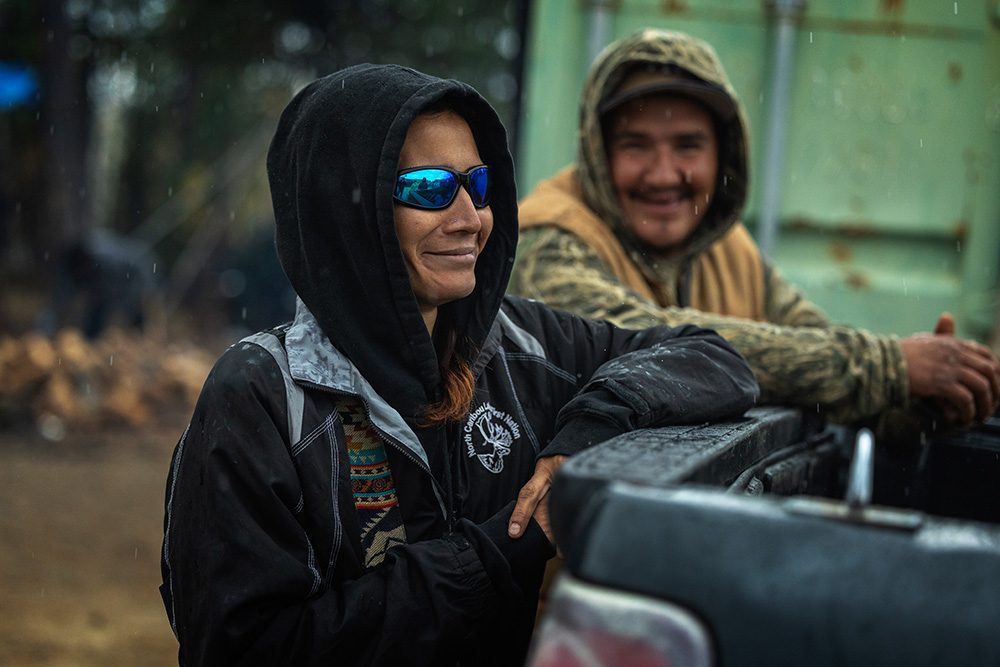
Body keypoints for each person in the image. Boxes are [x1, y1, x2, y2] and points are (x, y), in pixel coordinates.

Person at [159, 63, 758, 666]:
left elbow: (713, 359)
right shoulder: (263, 395)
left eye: (479, 182)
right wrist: (508, 549)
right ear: (345, 212)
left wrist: (594, 430)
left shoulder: (525, 347)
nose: (471, 216)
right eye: (429, 189)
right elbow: (244, 650)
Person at [509, 27, 1000, 430]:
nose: (663, 175)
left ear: (724, 154)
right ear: (598, 153)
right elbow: (649, 345)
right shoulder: (545, 242)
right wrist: (888, 367)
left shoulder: (727, 247)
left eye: (688, 146)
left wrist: (919, 404)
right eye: (635, 145)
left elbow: (812, 350)